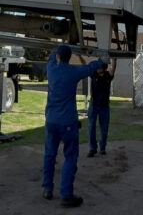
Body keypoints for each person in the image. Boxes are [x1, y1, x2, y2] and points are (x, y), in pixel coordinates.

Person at [42, 43, 103, 208]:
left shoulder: (51, 69)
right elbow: (90, 68)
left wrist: (58, 46)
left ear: (58, 57)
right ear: (70, 58)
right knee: (70, 157)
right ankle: (66, 195)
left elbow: (52, 56)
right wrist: (101, 60)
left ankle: (47, 189)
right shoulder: (73, 71)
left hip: (51, 120)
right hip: (68, 122)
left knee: (49, 155)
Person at [87, 59, 116, 157]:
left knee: (104, 127)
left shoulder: (107, 76)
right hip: (94, 104)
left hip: (104, 105)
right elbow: (85, 67)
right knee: (91, 126)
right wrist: (80, 57)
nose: (97, 68)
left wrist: (114, 59)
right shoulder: (94, 74)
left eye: (99, 66)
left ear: (103, 68)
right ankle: (92, 148)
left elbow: (113, 68)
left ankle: (102, 147)